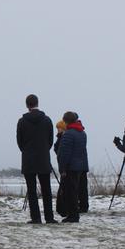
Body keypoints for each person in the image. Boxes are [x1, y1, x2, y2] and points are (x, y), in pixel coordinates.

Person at [17, 94, 56, 224]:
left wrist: (27, 151)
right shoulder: (47, 120)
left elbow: (20, 142)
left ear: (27, 105)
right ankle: (49, 217)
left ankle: (36, 218)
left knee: (32, 190)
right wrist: (44, 150)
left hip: (28, 159)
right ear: (37, 103)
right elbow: (50, 140)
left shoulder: (22, 121)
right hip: (43, 158)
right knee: (46, 190)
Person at [56, 112, 88, 223]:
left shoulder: (69, 134)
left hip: (70, 167)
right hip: (79, 166)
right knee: (75, 191)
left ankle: (72, 215)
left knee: (70, 192)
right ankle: (74, 215)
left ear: (66, 121)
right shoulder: (82, 133)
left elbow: (64, 154)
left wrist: (62, 169)